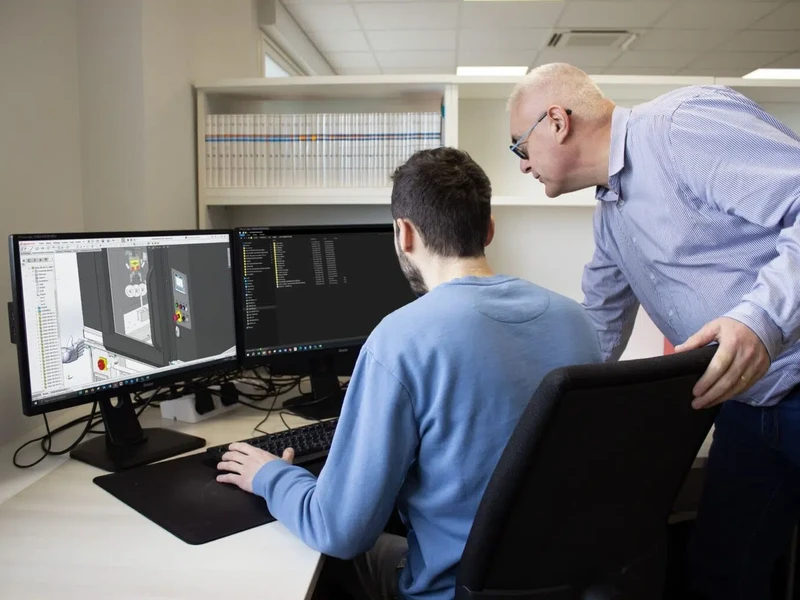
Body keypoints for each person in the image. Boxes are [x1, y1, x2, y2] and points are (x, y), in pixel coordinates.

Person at [216, 146, 602, 600]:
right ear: (490, 230)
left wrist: (270, 477)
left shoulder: (400, 338)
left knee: (331, 556)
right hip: (565, 584)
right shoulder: (577, 320)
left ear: (404, 233)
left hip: (450, 591)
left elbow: (338, 530)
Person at [507, 62, 800, 600]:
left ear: (556, 121)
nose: (523, 165)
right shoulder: (611, 215)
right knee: (722, 574)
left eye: (519, 147)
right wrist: (525, 408)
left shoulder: (682, 126)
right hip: (747, 403)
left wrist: (761, 318)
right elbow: (598, 326)